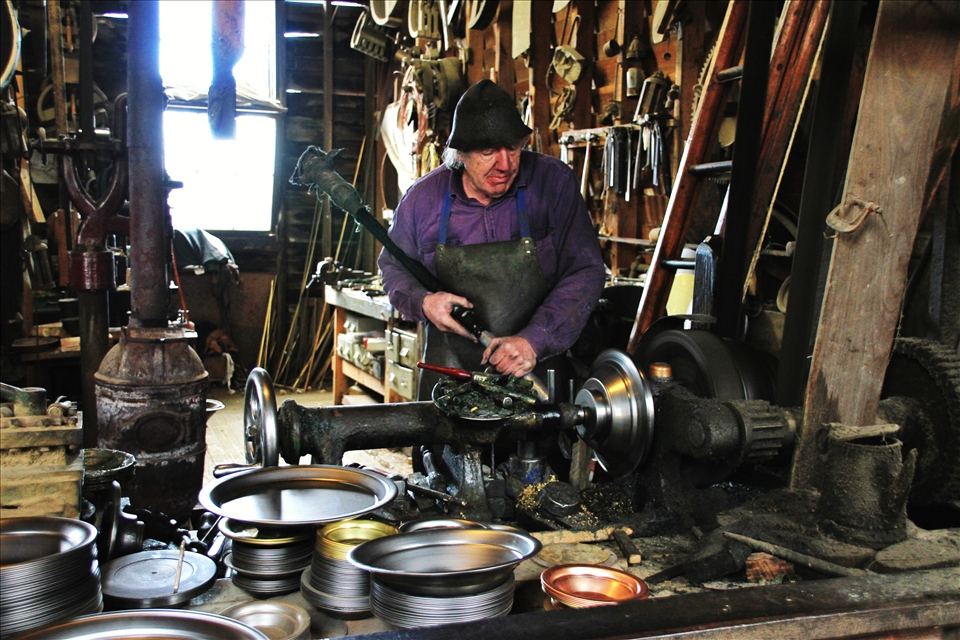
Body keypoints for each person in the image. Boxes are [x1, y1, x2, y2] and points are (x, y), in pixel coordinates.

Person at [379, 79, 605, 400]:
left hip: (537, 375)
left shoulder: (554, 184)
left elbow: (585, 270)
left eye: (512, 148)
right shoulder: (422, 201)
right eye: (488, 151)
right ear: (461, 154)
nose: (505, 164)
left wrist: (533, 340)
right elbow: (392, 267)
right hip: (453, 381)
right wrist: (423, 302)